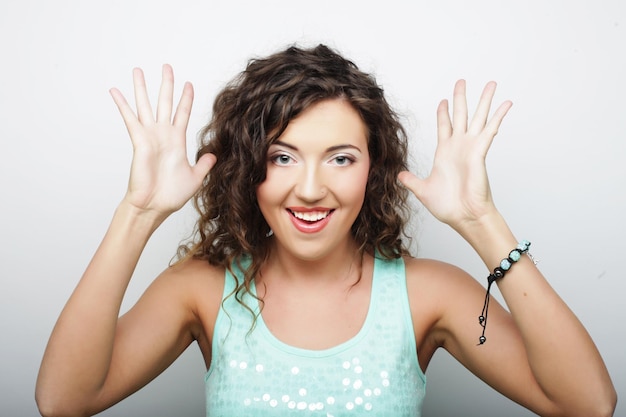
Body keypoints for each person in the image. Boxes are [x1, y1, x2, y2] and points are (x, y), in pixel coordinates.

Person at [35, 44, 616, 417]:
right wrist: (138, 212)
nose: (310, 188)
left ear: (374, 168)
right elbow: (62, 401)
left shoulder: (429, 294)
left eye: (340, 158)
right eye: (283, 157)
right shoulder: (201, 289)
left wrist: (481, 222)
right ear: (247, 168)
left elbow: (589, 404)